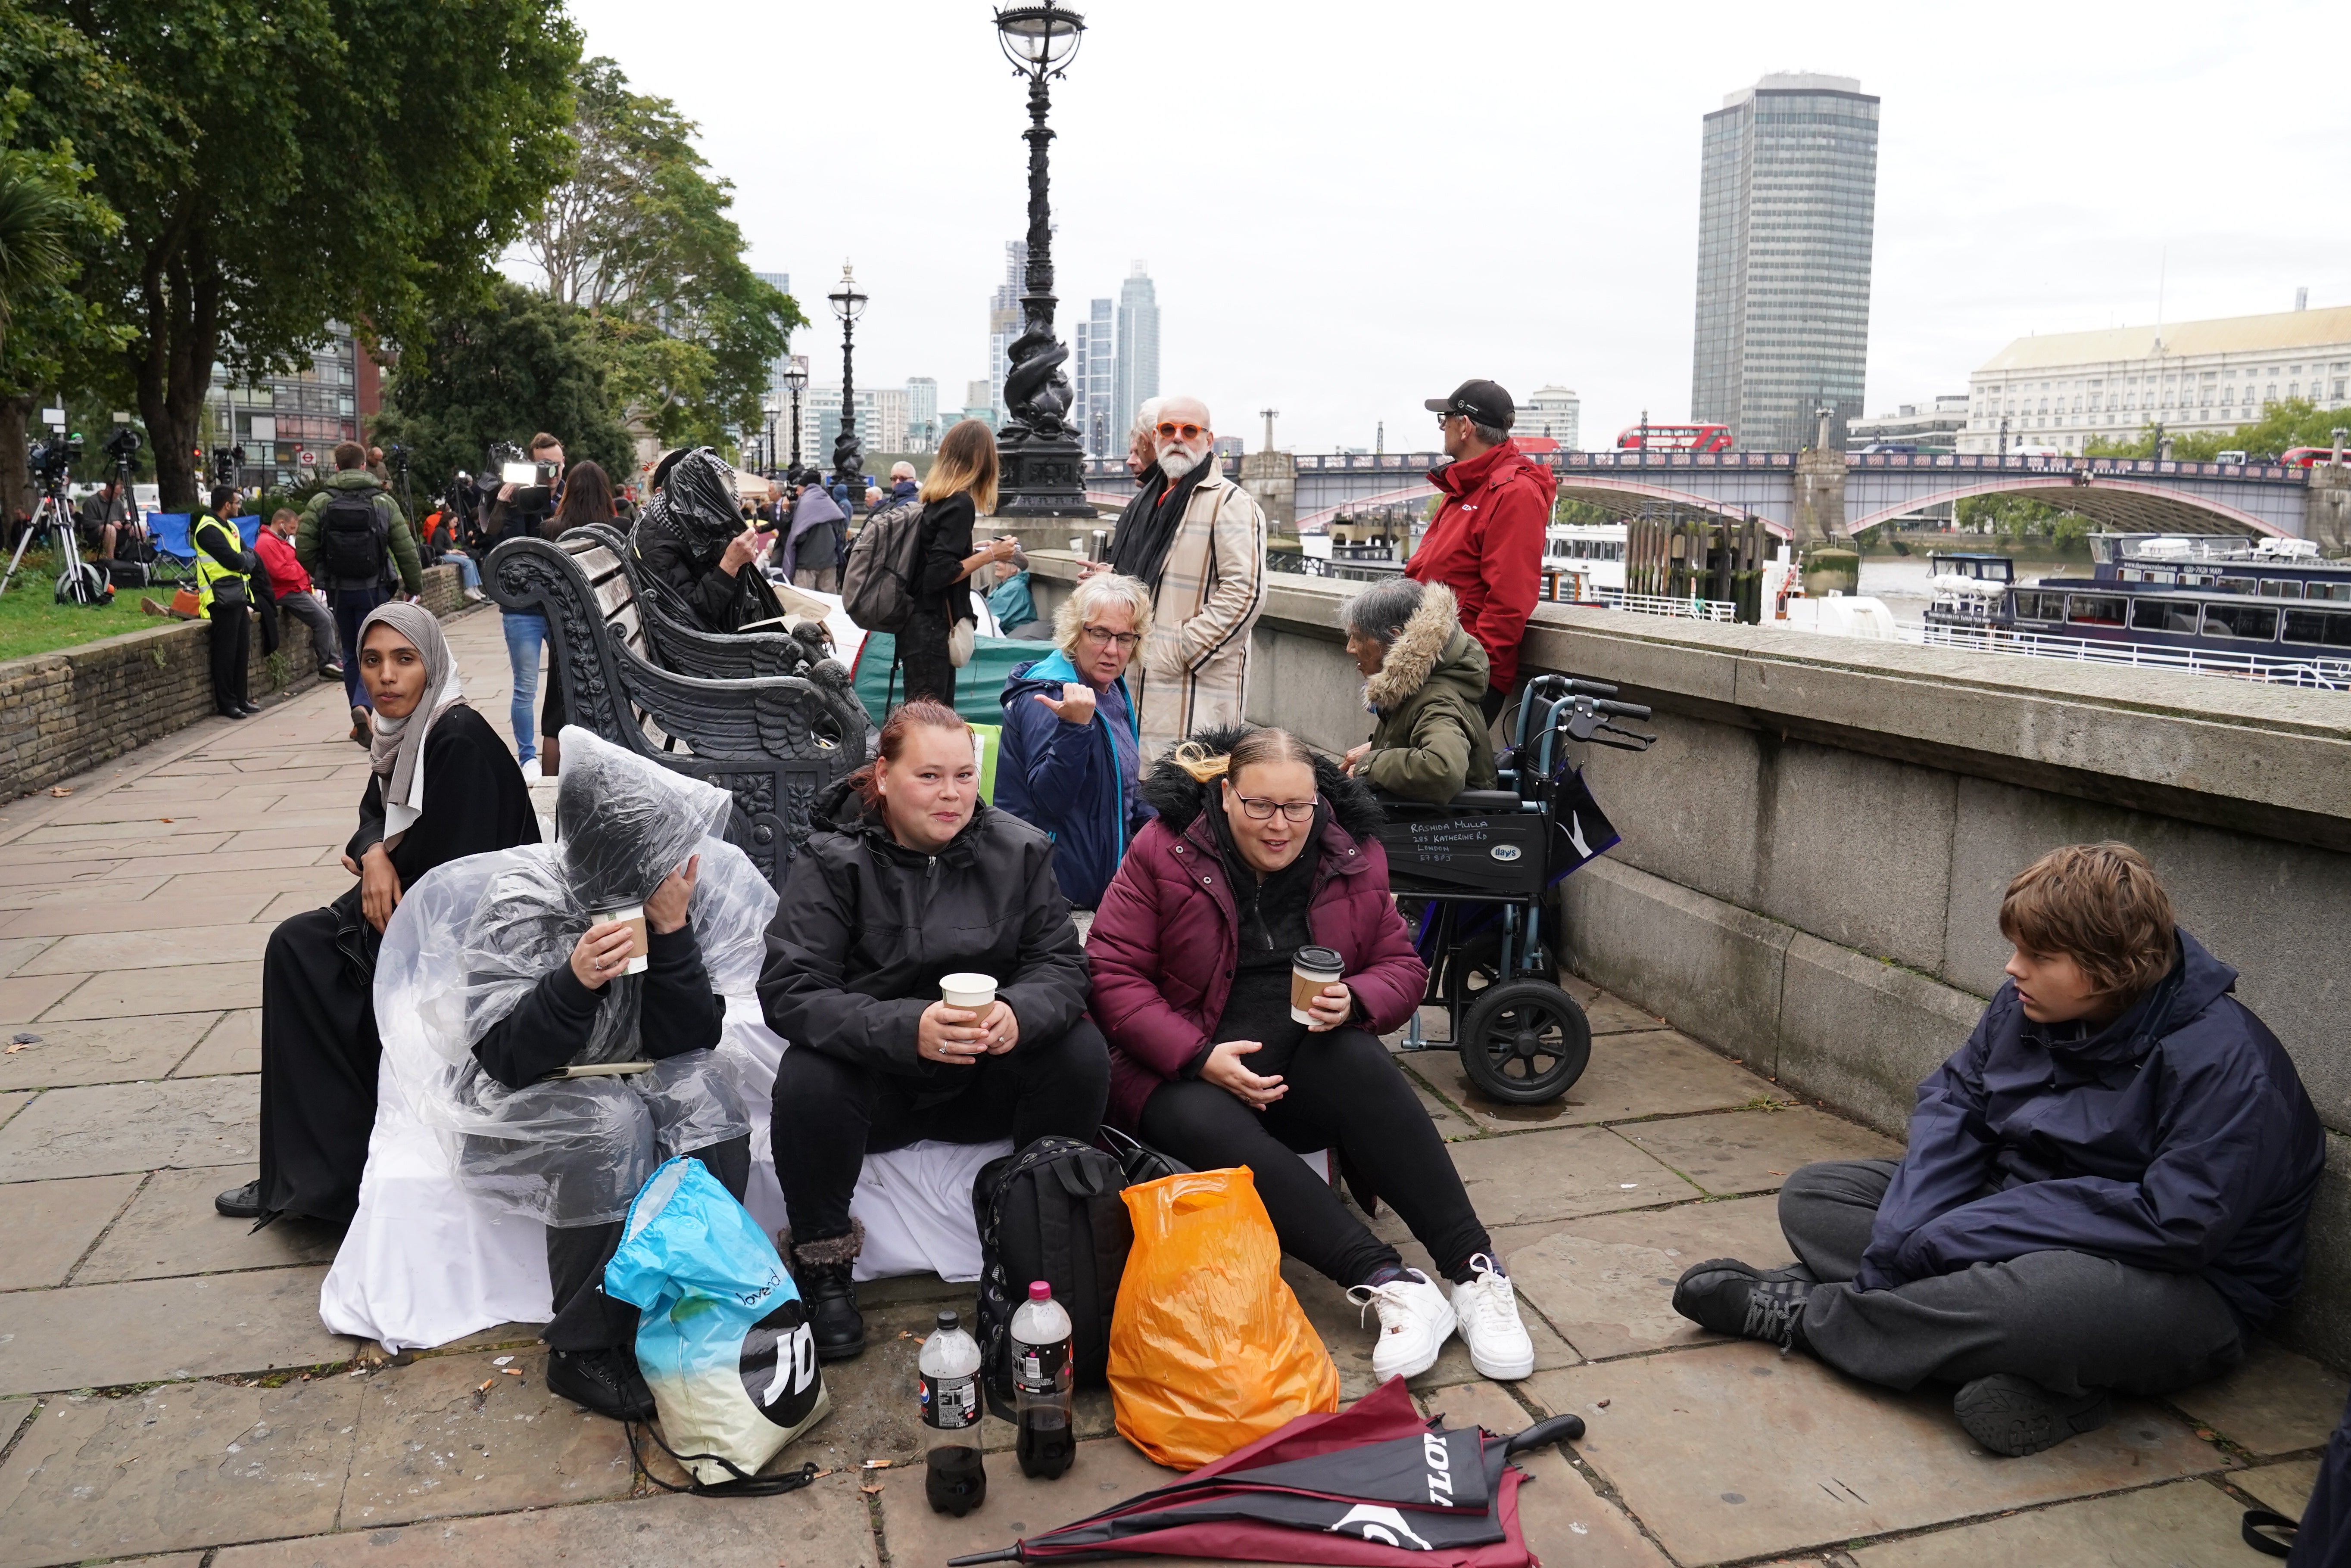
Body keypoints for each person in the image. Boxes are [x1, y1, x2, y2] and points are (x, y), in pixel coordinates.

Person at [1671, 843, 2325, 1457]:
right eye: (2018, 949)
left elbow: (2176, 1223)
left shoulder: (2230, 1066)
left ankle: (1811, 1316)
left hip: (2176, 1283)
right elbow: (1956, 1104)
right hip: (2013, 1209)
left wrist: (1954, 1237)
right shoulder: (2030, 1004)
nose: (2015, 968)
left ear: (2113, 967)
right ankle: (1996, 1356)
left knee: (2045, 1306)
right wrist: (1908, 1233)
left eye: (2039, 956)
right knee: (1815, 1196)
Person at [1086, 726, 1537, 1382]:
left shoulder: (1348, 853)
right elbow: (1111, 972)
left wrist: (1356, 999)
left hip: (1305, 1058)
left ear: (1319, 803)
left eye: (1297, 807)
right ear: (1227, 796)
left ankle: (1473, 1270)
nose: (1280, 826)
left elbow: (1400, 966)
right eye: (1260, 806)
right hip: (1189, 1064)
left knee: (1360, 1064)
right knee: (1195, 1117)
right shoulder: (1166, 850)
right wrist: (1199, 1056)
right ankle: (1388, 1281)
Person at [418, 733, 758, 1420]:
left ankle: (701, 1300)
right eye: (657, 852)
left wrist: (672, 936)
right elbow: (506, 1058)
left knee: (710, 1094)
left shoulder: (672, 894)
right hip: (524, 1097)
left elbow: (688, 1039)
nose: (680, 865)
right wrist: (573, 982)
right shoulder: (524, 901)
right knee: (610, 1123)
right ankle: (584, 1347)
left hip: (633, 1068)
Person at [760, 699, 1107, 1361]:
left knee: (1079, 1050)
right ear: (884, 776)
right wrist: (906, 1027)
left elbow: (1062, 965)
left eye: (963, 776)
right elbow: (791, 990)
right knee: (808, 1076)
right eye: (929, 777)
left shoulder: (1020, 850)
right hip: (880, 1085)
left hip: (985, 1077)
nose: (951, 795)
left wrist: (1018, 1012)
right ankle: (825, 1263)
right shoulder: (834, 861)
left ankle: (1040, 1237)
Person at [216, 603, 539, 1228]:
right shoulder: (407, 735)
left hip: (470, 948)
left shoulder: (457, 740)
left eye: (404, 660)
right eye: (371, 661)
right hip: (417, 912)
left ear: (433, 664)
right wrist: (374, 855)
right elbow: (376, 811)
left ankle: (323, 1179)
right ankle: (303, 1171)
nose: (386, 677)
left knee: (300, 954)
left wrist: (384, 868)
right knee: (299, 949)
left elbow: (462, 889)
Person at [1094, 396, 1267, 759]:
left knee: (1183, 790)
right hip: (1135, 678)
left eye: (1190, 431)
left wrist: (1179, 650)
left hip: (1191, 689)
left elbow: (1246, 593)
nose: (1178, 438)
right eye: (1168, 430)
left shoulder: (1230, 503)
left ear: (1209, 440)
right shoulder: (1146, 501)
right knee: (1134, 785)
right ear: (1155, 437)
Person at [996, 572, 1155, 910]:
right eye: (1100, 634)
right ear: (1075, 632)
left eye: (1125, 638)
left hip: (1104, 887)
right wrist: (1074, 728)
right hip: (1052, 895)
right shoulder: (1047, 695)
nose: (1112, 650)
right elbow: (1049, 801)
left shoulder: (1111, 691)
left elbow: (1121, 787)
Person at [1405, 380, 1556, 725]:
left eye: (1445, 419)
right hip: (1430, 664)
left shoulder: (1514, 493)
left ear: (1465, 427)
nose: (1442, 427)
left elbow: (1509, 601)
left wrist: (1470, 673)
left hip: (1462, 678)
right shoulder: (1467, 487)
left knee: (1420, 774)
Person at [298, 440, 425, 745]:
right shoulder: (383, 502)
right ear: (365, 465)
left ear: (337, 467)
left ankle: (359, 714)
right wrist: (414, 586)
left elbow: (303, 549)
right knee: (377, 650)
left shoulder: (320, 502)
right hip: (375, 589)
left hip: (340, 590)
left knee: (351, 654)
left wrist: (323, 572)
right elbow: (405, 548)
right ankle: (364, 707)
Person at [508, 459, 622, 777]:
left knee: (556, 717)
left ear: (568, 492)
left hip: (567, 634)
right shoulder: (621, 528)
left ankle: (550, 792)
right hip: (612, 633)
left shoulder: (550, 530)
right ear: (605, 492)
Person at [1338, 578, 1497, 804]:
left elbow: (1443, 770)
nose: (1350, 648)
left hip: (1438, 827)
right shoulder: (1422, 683)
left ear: (1394, 639)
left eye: (1360, 637)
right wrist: (1377, 751)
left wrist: (1371, 764)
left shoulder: (1437, 700)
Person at [900, 420, 1017, 708]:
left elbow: (935, 556)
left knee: (919, 719)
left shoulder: (935, 500)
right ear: (982, 460)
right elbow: (938, 575)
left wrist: (976, 549)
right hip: (933, 630)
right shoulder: (961, 503)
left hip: (915, 627)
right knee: (931, 723)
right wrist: (991, 555)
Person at [630, 447, 786, 635]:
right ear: (671, 492)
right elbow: (691, 617)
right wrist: (730, 564)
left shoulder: (682, 529)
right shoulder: (654, 542)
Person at [253, 507, 343, 682]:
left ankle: (334, 659)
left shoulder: (277, 541)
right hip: (285, 591)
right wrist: (304, 570)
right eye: (292, 528)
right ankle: (328, 662)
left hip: (295, 588)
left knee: (329, 616)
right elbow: (280, 572)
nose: (293, 533)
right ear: (281, 524)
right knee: (322, 620)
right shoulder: (267, 543)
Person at [193, 485, 259, 720]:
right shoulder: (207, 530)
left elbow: (250, 555)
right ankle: (227, 704)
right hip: (219, 598)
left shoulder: (230, 526)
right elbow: (233, 560)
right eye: (236, 502)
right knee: (225, 654)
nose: (239, 506)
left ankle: (241, 699)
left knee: (241, 651)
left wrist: (244, 560)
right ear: (226, 505)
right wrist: (243, 560)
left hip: (238, 596)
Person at [780, 467, 847, 589]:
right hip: (829, 563)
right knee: (828, 603)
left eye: (799, 490)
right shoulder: (829, 502)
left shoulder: (805, 503)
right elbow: (841, 530)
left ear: (805, 487)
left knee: (806, 602)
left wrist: (785, 511)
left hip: (807, 563)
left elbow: (798, 535)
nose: (798, 493)